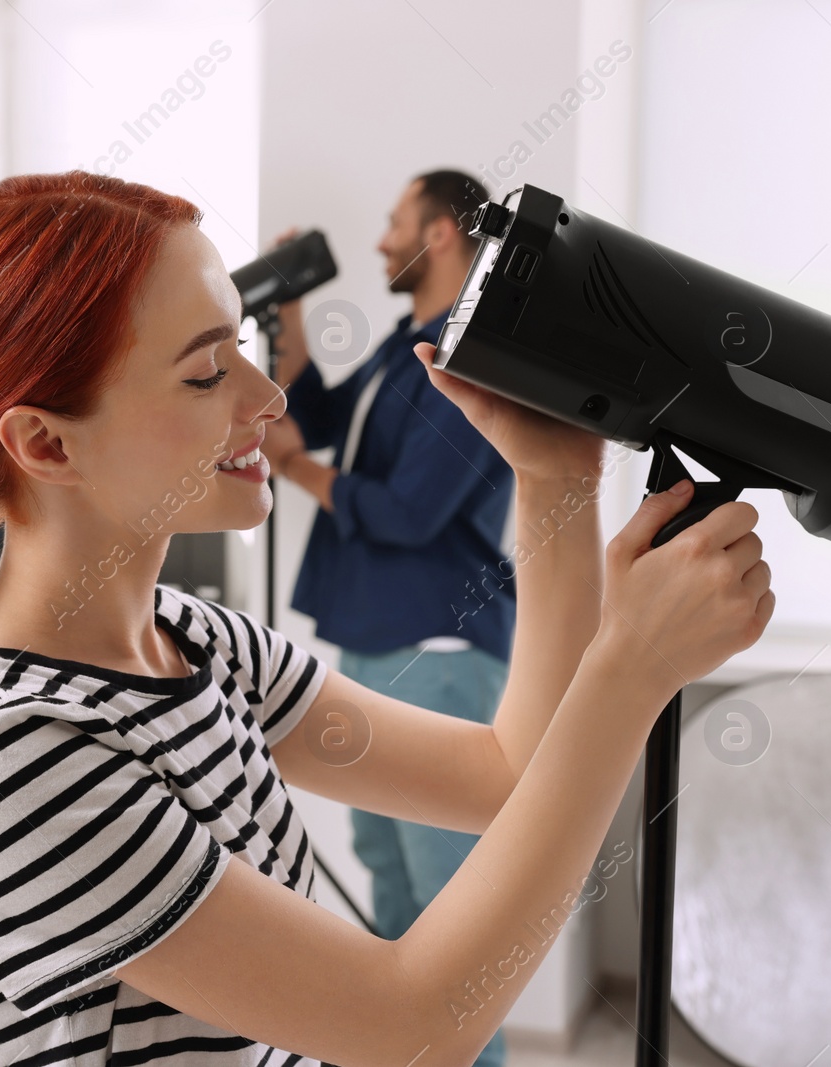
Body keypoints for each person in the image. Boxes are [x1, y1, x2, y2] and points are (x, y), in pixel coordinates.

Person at [0, 170, 774, 1067]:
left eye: (239, 347)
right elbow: (413, 1023)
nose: (267, 397)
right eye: (203, 373)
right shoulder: (7, 752)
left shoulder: (192, 641)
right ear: (46, 441)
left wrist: (554, 482)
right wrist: (629, 670)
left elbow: (505, 776)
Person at [260, 171, 513, 1065]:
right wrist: (287, 307)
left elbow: (408, 512)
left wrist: (294, 471)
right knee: (392, 880)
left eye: (394, 223)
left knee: (451, 917)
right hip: (373, 644)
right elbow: (310, 412)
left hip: (436, 649)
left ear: (441, 232)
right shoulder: (407, 347)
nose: (379, 241)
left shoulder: (469, 359)